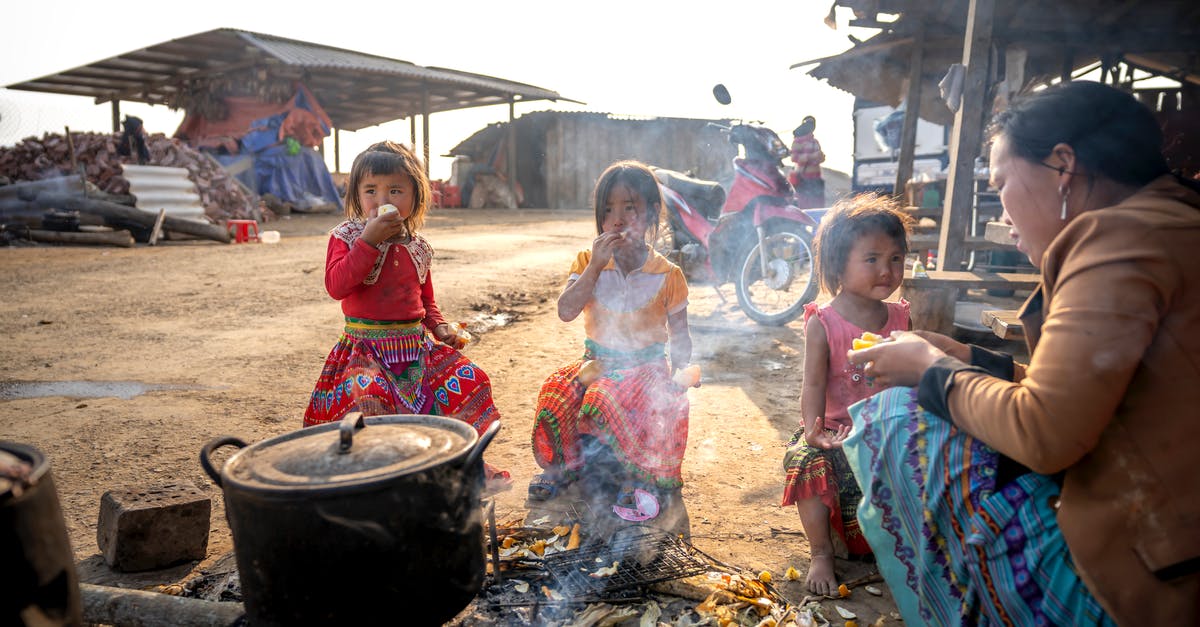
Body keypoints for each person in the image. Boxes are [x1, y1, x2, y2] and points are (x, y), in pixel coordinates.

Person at [844, 81, 1200, 625]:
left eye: (1002, 184)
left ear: (1062, 166)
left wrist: (930, 370)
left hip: (1156, 581)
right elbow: (1097, 392)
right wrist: (964, 355)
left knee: (898, 417)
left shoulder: (1119, 239)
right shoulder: (1173, 220)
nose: (1004, 213)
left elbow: (1047, 432)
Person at [304, 140, 509, 486]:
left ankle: (457, 469)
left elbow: (425, 300)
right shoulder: (347, 237)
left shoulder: (418, 247)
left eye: (395, 190)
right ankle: (375, 485)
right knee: (368, 402)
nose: (382, 201)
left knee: (469, 382)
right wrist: (367, 242)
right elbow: (337, 285)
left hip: (415, 349)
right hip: (365, 350)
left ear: (416, 196)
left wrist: (440, 327)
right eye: (371, 190)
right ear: (356, 195)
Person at [529, 160, 696, 512]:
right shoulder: (587, 261)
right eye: (608, 210)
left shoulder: (668, 274)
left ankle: (622, 477)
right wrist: (593, 267)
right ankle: (566, 469)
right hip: (597, 363)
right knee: (556, 391)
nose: (617, 219)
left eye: (629, 208)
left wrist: (680, 376)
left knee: (603, 398)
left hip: (645, 368)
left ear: (651, 214)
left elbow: (681, 334)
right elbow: (566, 311)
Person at [781, 195, 912, 595]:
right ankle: (821, 551)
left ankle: (902, 546)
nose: (886, 270)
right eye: (871, 259)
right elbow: (814, 384)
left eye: (895, 258)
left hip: (886, 425)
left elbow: (911, 378)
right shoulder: (823, 322)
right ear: (839, 265)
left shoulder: (901, 317)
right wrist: (813, 429)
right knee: (806, 462)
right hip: (838, 430)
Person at [789, 116, 826, 208]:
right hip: (804, 178)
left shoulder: (815, 141)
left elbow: (821, 159)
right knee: (804, 203)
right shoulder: (798, 141)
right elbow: (794, 158)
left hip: (816, 178)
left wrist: (820, 157)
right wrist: (811, 156)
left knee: (817, 203)